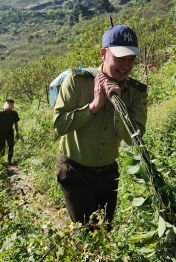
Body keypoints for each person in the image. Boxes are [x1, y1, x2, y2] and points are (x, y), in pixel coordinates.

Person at [53, 24, 148, 228]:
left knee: (106, 227)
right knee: (87, 230)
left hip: (107, 173)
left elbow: (135, 139)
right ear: (104, 54)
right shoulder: (77, 81)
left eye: (131, 59)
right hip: (74, 170)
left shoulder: (135, 92)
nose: (126, 65)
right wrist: (94, 106)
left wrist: (118, 108)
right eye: (120, 58)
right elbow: (60, 126)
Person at [0, 99, 20, 165]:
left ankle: (9, 161)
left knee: (11, 147)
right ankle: (2, 162)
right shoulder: (0, 114)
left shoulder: (14, 114)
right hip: (1, 133)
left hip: (10, 132)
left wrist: (17, 133)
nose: (9, 109)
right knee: (1, 148)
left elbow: (15, 123)